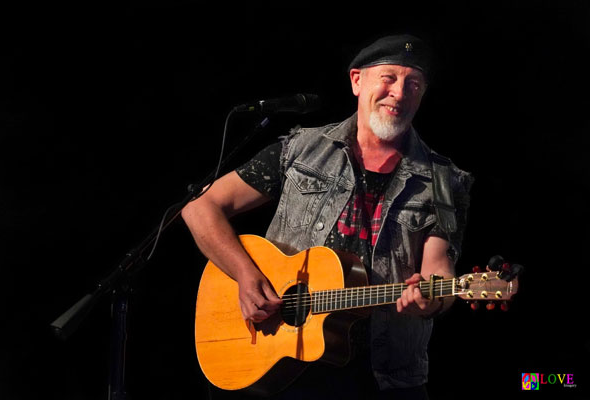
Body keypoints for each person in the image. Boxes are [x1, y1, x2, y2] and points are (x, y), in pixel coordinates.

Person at [182, 34, 473, 400]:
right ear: (356, 81)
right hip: (283, 362)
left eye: (413, 84)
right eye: (388, 78)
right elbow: (199, 209)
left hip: (386, 376)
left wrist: (434, 298)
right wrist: (245, 274)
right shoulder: (300, 148)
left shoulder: (445, 181)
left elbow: (438, 270)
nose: (399, 93)